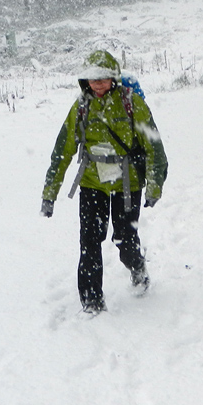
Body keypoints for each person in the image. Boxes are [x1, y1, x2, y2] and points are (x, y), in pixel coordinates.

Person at [41, 49, 168, 315]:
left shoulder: (132, 103)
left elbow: (154, 146)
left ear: (114, 78)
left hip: (128, 183)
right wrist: (49, 193)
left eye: (103, 78)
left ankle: (137, 268)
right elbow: (62, 150)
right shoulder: (81, 107)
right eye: (92, 78)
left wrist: (154, 186)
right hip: (92, 183)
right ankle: (91, 301)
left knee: (124, 239)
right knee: (89, 242)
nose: (98, 83)